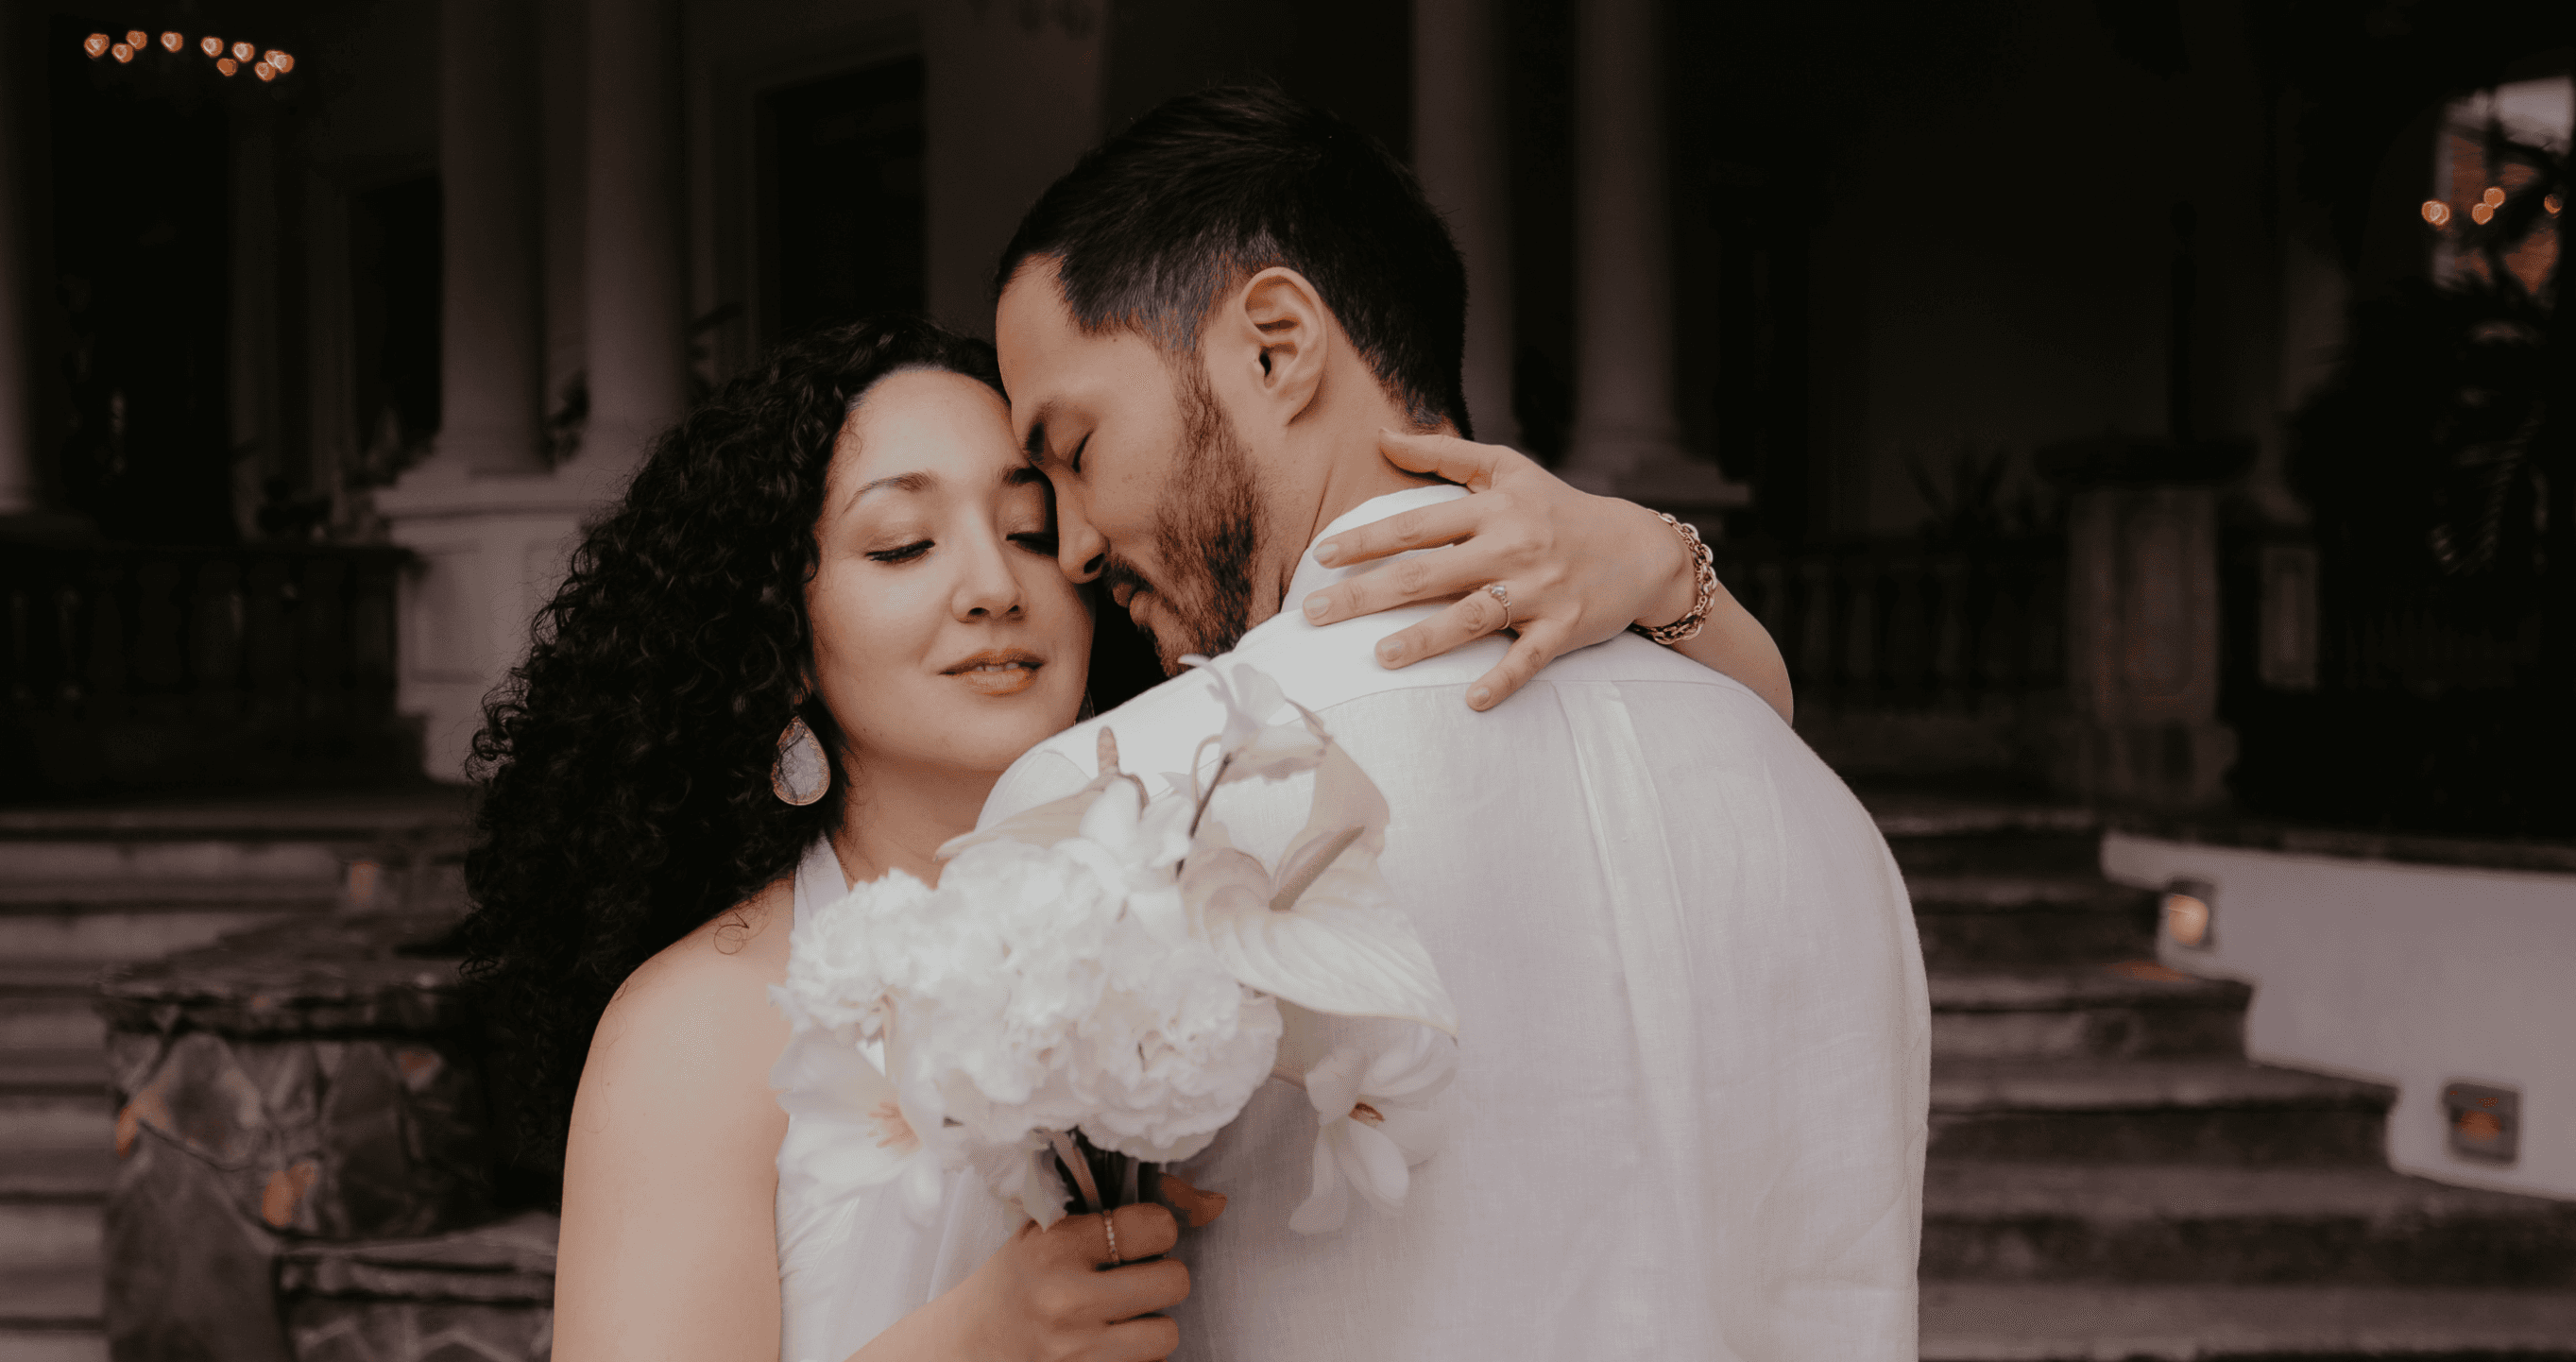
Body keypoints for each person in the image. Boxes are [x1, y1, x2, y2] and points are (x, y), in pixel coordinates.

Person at [462, 312, 1792, 1359]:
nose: (994, 586)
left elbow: (1750, 745)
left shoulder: (1200, 886)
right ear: (781, 632)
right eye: (904, 544)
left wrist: (1653, 562)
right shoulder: (704, 1021)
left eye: (1034, 528)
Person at [952, 85, 1930, 1358]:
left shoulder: (1118, 806)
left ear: (1276, 343)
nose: (1074, 545)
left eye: (1074, 445)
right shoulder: (1818, 812)